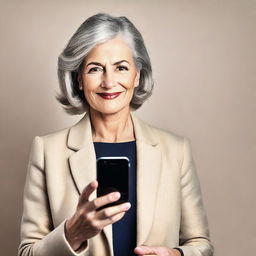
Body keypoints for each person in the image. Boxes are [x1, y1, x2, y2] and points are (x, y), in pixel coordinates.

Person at [18, 13, 214, 256]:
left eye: (121, 67)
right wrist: (72, 233)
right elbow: (26, 253)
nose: (109, 82)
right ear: (79, 79)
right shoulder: (47, 151)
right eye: (95, 69)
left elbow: (201, 244)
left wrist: (176, 254)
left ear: (137, 75)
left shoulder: (176, 151)